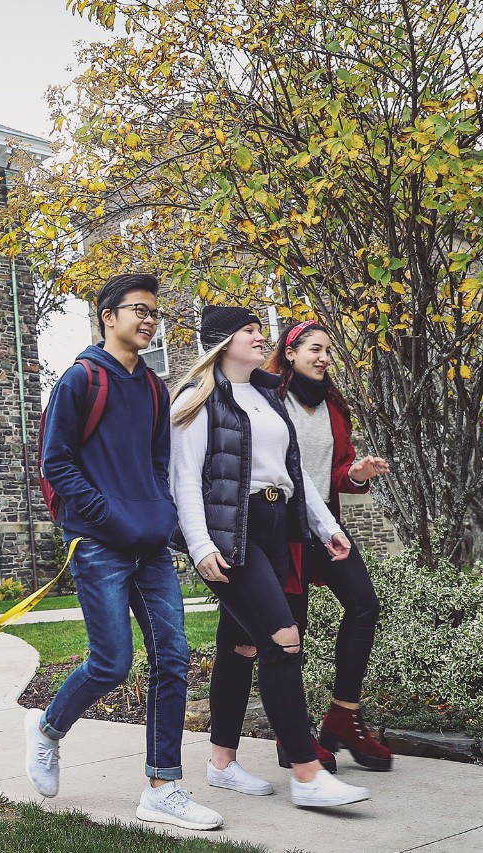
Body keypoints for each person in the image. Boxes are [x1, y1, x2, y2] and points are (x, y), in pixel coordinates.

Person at [28, 273, 224, 831]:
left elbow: (159, 465)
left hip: (151, 545)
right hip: (99, 545)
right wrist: (110, 515)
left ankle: (163, 786)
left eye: (154, 313)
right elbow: (56, 465)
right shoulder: (80, 381)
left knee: (173, 658)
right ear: (107, 316)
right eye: (138, 310)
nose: (149, 319)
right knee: (112, 662)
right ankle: (47, 729)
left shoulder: (157, 389)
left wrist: (160, 515)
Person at [169, 304, 370, 808]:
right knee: (283, 641)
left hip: (278, 528)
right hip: (233, 536)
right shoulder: (199, 398)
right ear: (222, 342)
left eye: (261, 330)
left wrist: (325, 527)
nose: (262, 338)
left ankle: (221, 764)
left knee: (241, 647)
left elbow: (294, 473)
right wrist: (199, 545)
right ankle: (306, 774)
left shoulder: (265, 394)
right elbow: (185, 480)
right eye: (250, 331)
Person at [268, 320, 393, 771]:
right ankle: (292, 736)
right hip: (283, 531)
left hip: (326, 526)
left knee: (364, 604)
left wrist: (357, 472)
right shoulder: (272, 401)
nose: (323, 358)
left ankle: (343, 716)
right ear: (290, 352)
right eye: (314, 349)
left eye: (327, 351)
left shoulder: (333, 407)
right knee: (290, 633)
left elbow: (336, 471)